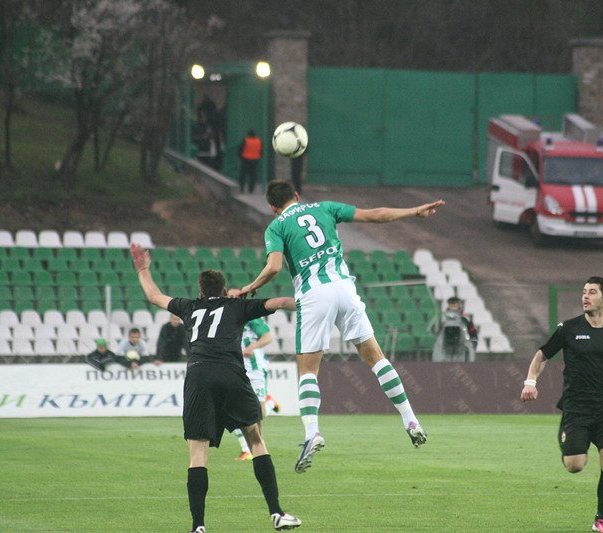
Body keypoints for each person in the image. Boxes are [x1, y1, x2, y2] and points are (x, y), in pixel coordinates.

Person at [239, 179, 444, 473]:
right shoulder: (326, 208)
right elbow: (375, 214)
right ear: (297, 195)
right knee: (376, 358)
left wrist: (251, 286)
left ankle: (312, 433)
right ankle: (410, 419)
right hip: (344, 287)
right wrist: (414, 211)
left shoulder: (276, 227)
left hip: (313, 294)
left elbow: (272, 267)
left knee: (308, 370)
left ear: (273, 207)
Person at [130, 243, 302, 533]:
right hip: (231, 374)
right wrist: (315, 301)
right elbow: (282, 302)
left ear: (200, 291)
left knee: (197, 454)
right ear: (224, 291)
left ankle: (198, 526)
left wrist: (143, 268)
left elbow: (153, 295)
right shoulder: (238, 306)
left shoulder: (189, 306)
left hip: (198, 375)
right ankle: (276, 513)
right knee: (256, 440)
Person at [520, 276, 603, 533]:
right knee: (575, 465)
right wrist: (530, 381)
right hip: (576, 408)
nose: (585, 296)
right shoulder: (569, 329)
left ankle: (601, 519)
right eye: (584, 292)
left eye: (592, 292)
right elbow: (542, 354)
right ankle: (566, 433)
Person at [227, 287, 282, 461]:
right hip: (235, 367)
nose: (234, 299)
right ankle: (250, 449)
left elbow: (267, 337)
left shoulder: (249, 316)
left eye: (237, 296)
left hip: (254, 367)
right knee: (233, 408)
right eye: (230, 297)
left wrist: (252, 347)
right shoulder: (225, 317)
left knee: (258, 413)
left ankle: (254, 449)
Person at [238, 129, 263, 193]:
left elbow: (240, 150)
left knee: (243, 174)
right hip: (255, 160)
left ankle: (242, 188)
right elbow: (261, 151)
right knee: (253, 175)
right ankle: (251, 189)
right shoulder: (259, 141)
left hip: (245, 160)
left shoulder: (245, 140)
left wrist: (241, 156)